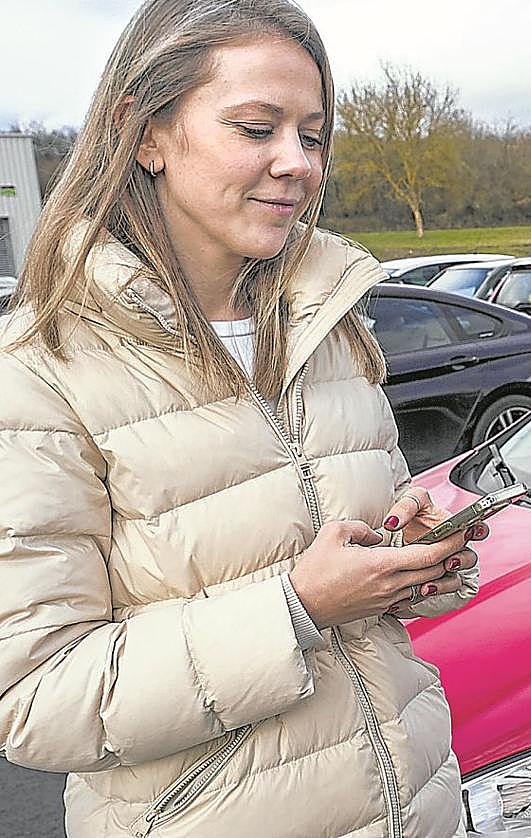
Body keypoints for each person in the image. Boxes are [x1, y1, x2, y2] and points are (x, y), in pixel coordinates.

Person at [0, 1, 485, 835]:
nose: (297, 163)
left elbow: (373, 548)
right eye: (257, 128)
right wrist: (294, 608)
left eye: (313, 133)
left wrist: (416, 554)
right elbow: (34, 699)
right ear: (144, 133)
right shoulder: (39, 369)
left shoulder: (331, 321)